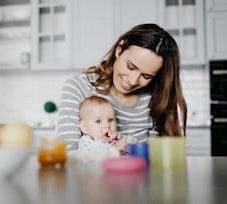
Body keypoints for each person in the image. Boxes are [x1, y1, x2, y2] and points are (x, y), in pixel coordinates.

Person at [56, 23, 187, 151]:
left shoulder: (154, 98)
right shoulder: (80, 86)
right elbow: (67, 153)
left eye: (146, 76)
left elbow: (154, 159)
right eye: (130, 66)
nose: (132, 80)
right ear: (119, 50)